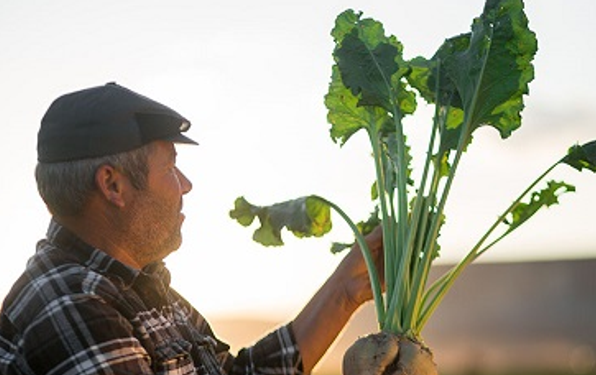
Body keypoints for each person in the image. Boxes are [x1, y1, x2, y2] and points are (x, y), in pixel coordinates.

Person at [0, 83, 383, 375]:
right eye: (170, 167)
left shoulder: (141, 288)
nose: (185, 184)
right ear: (113, 185)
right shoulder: (71, 305)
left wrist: (343, 294)